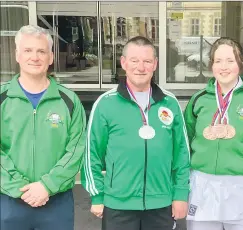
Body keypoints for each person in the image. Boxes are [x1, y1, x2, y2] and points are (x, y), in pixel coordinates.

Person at [81, 36, 190, 230]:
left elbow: (182, 152)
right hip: (118, 204)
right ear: (123, 63)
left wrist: (180, 194)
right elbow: (91, 154)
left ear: (155, 64)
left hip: (161, 203)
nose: (141, 67)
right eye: (134, 60)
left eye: (147, 61)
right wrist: (97, 195)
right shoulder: (106, 103)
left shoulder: (170, 103)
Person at [0, 25, 86, 230]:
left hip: (56, 202)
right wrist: (20, 188)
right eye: (28, 50)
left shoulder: (69, 101)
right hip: (9, 201)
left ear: (51, 57)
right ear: (17, 55)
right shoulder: (2, 99)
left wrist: (47, 185)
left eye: (41, 51)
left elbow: (77, 149)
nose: (35, 57)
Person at [184, 37, 243, 230]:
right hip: (202, 187)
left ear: (240, 64)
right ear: (211, 65)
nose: (224, 67)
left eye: (230, 61)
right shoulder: (199, 100)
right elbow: (185, 145)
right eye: (218, 61)